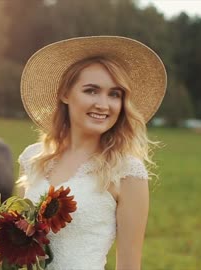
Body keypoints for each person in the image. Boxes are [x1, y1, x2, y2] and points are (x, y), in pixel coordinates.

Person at [16, 36, 167, 270]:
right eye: (91, 91)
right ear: (65, 94)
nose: (103, 104)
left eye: (114, 94)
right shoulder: (32, 158)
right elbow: (16, 246)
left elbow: (129, 265)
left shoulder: (128, 172)